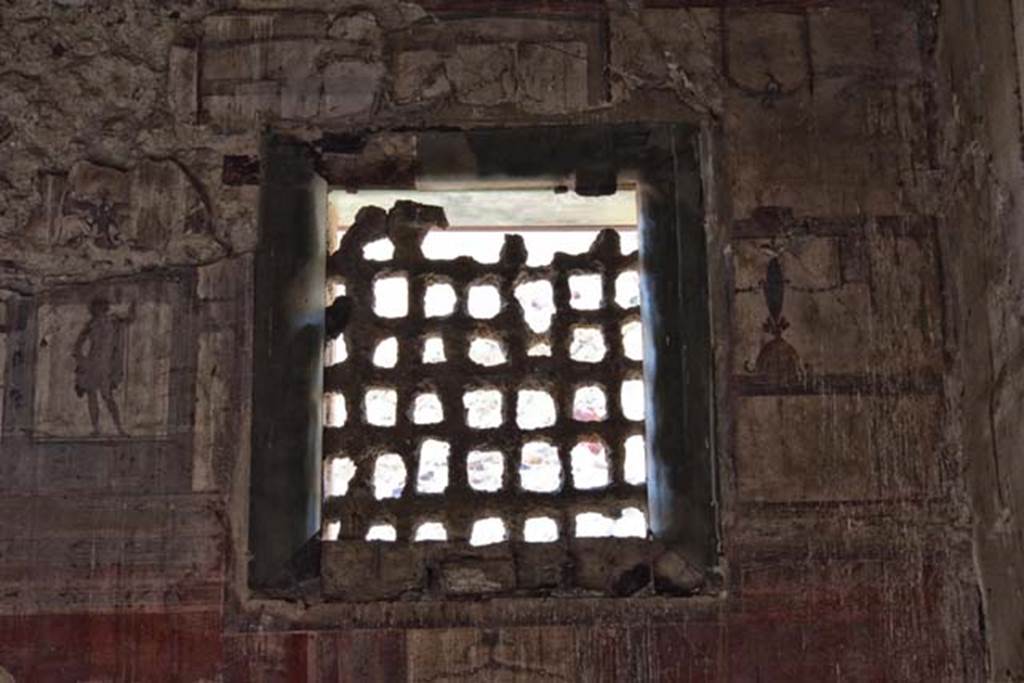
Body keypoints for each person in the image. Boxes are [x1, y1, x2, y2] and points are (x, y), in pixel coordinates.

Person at [72, 297, 132, 435]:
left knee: (107, 397)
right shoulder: (90, 324)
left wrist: (132, 304)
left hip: (105, 365)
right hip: (92, 364)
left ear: (104, 308)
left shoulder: (113, 321)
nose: (97, 310)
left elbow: (129, 319)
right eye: (95, 308)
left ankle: (119, 428)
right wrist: (81, 361)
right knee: (92, 396)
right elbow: (77, 345)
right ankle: (96, 428)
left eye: (100, 307)